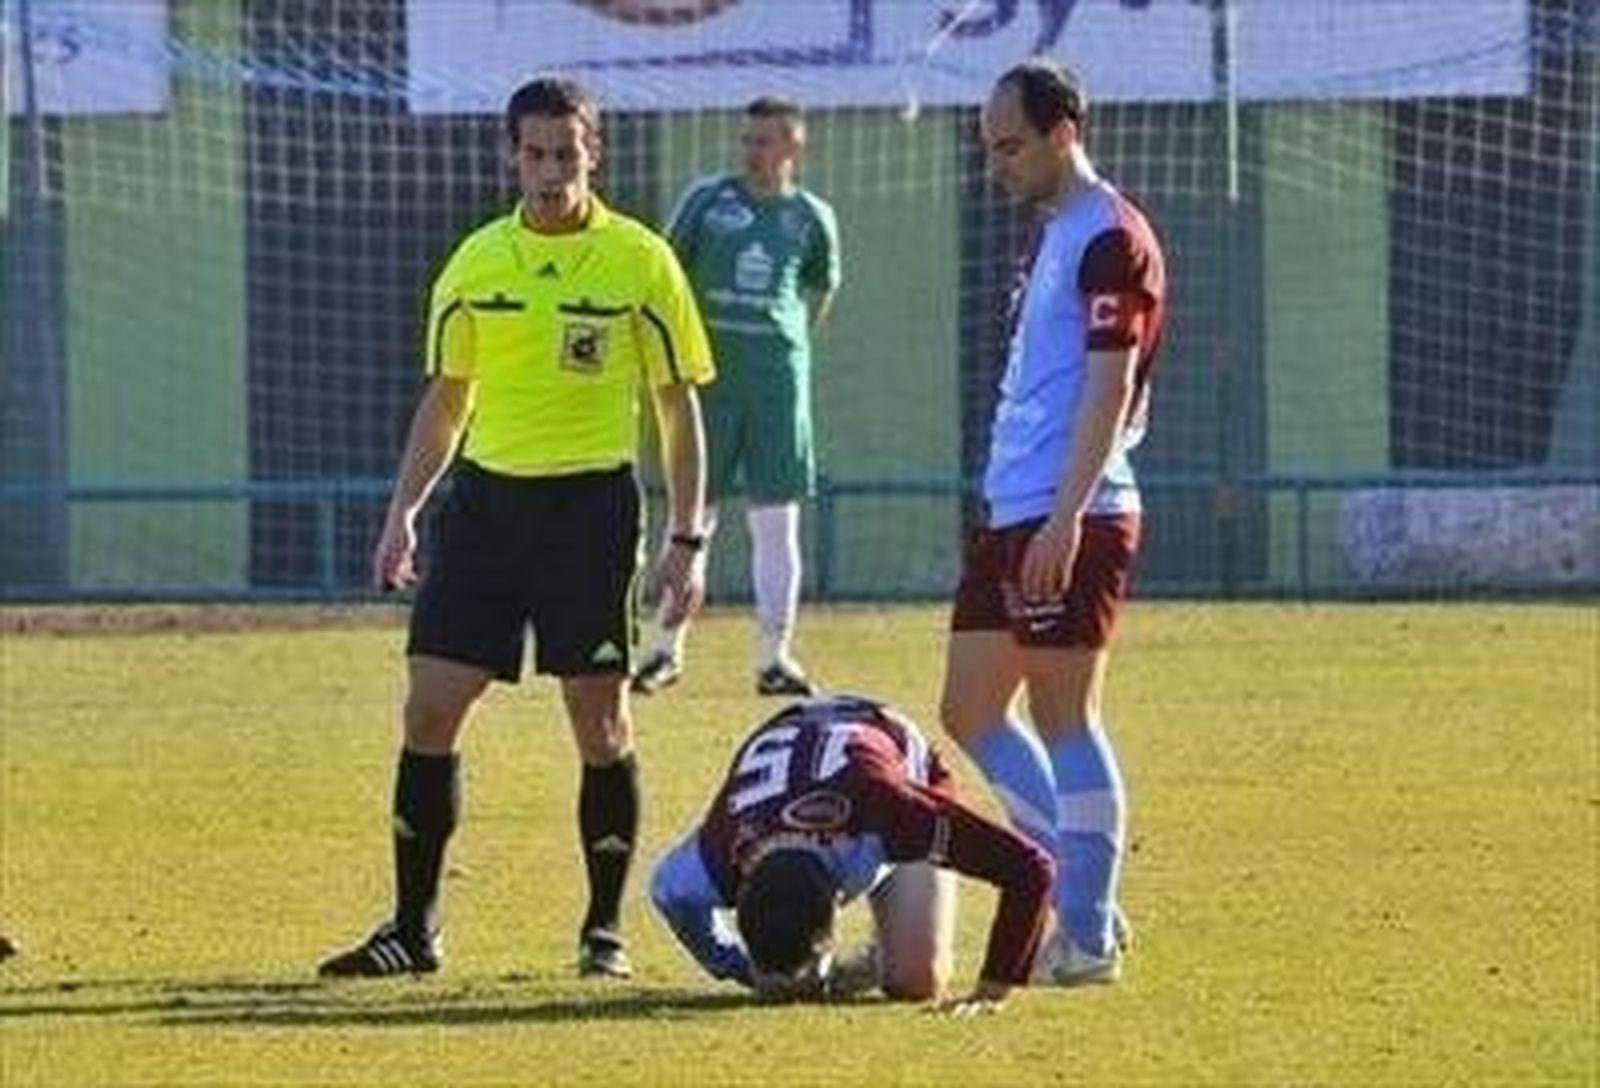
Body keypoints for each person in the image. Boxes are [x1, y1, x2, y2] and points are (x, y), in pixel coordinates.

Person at [318, 77, 715, 981]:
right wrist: (402, 515)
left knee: (599, 721)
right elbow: (448, 397)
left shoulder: (640, 262)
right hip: (486, 513)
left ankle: (602, 933)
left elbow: (675, 405)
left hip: (591, 510)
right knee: (429, 706)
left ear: (592, 155)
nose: (548, 173)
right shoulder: (475, 265)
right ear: (511, 156)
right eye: (533, 155)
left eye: (564, 156)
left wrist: (688, 539)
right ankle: (413, 931)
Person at [938, 59, 1167, 988]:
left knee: (1066, 715)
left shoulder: (1113, 237)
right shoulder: (1049, 233)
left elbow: (1111, 388)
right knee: (971, 709)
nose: (999, 161)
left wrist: (1066, 518)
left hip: (1071, 511)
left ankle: (1084, 934)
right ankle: (1082, 902)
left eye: (1012, 143)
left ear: (1064, 130)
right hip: (1015, 506)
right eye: (990, 144)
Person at [651, 695, 1055, 1015]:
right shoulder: (714, 854)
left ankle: (882, 949)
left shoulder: (894, 810)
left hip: (887, 753)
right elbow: (667, 893)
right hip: (804, 745)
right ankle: (871, 950)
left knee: (915, 981)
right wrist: (737, 967)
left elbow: (1031, 867)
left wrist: (994, 988)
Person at [632, 96, 842, 699]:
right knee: (692, 517)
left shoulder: (811, 217)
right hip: (708, 380)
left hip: (777, 384)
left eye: (765, 141)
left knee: (777, 523)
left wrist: (787, 344)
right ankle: (664, 651)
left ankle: (775, 658)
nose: (752, 151)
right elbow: (668, 273)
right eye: (747, 139)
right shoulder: (709, 199)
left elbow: (820, 291)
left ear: (793, 147)